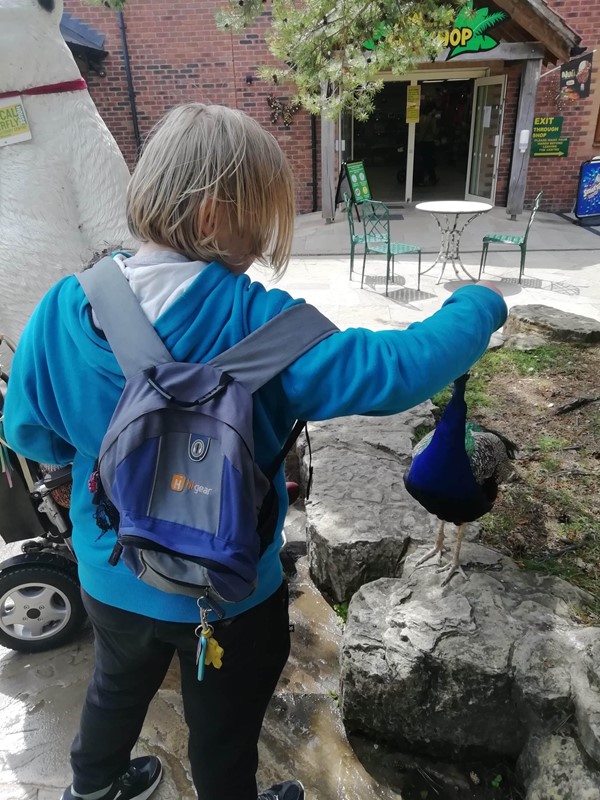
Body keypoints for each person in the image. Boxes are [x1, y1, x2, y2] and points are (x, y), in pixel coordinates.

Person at [4, 102, 507, 800]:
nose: (263, 243)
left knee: (116, 686)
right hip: (229, 599)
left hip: (111, 570)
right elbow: (398, 370)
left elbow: (30, 433)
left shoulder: (65, 305)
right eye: (260, 218)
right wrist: (478, 304)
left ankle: (92, 788)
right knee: (223, 730)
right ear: (213, 215)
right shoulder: (261, 324)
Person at [415, 101, 439, 187]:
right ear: (432, 110)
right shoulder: (432, 119)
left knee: (422, 161)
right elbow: (434, 131)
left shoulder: (420, 118)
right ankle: (431, 178)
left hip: (420, 141)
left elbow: (417, 129)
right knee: (429, 161)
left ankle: (421, 179)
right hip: (429, 141)